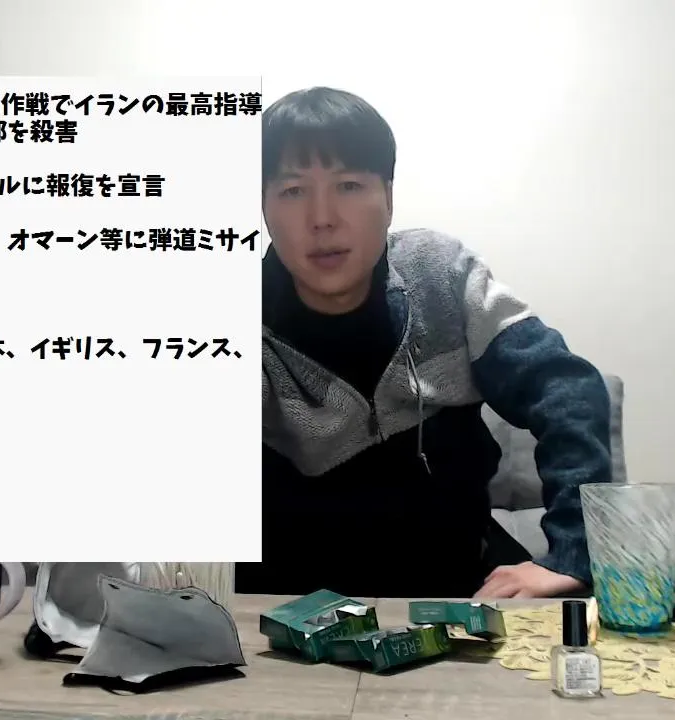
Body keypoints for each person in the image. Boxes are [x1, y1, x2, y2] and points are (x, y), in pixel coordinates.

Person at [236, 87, 613, 600]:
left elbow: (567, 390)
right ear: (263, 207)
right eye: (293, 191)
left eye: (349, 185)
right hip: (284, 606)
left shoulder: (440, 275)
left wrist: (573, 554)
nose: (322, 218)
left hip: (456, 591)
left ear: (388, 198)